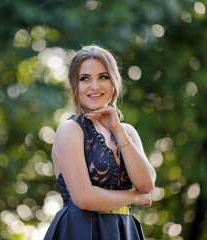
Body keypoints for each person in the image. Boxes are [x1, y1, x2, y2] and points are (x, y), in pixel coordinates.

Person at [44, 45, 156, 240]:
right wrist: (135, 197)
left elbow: (146, 184)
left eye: (103, 77)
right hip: (80, 230)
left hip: (124, 231)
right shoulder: (70, 130)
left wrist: (117, 130)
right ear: (74, 86)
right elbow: (84, 198)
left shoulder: (126, 131)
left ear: (114, 82)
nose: (94, 86)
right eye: (84, 78)